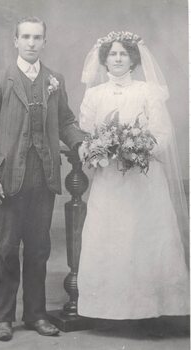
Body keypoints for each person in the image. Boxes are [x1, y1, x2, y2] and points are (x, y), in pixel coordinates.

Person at [0, 16, 86, 341]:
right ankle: (3, 318)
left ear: (44, 41)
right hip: (7, 179)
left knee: (39, 249)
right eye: (26, 37)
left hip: (44, 177)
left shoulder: (55, 79)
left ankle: (36, 314)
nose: (32, 43)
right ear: (16, 41)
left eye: (37, 37)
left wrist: (81, 142)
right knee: (8, 249)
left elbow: (65, 119)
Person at [77, 31, 189, 325]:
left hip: (143, 179)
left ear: (133, 59)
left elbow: (162, 132)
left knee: (143, 237)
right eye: (112, 54)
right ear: (104, 59)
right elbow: (85, 134)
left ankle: (148, 310)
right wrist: (98, 149)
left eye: (123, 54)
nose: (117, 59)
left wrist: (137, 148)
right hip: (109, 181)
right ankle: (106, 312)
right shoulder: (94, 94)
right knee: (110, 237)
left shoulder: (148, 91)